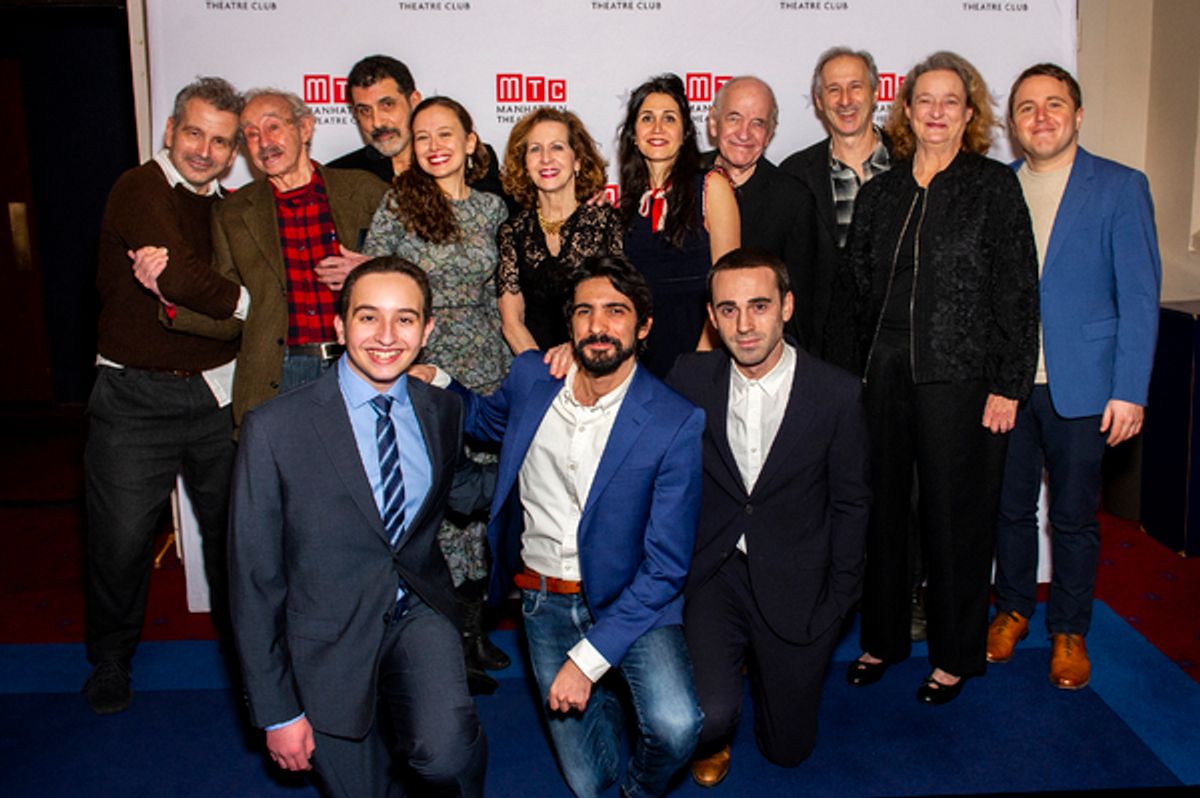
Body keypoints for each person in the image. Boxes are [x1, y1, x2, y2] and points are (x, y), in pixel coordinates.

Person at [229, 256, 494, 798]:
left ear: (427, 331)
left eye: (405, 319)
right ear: (339, 325)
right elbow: (253, 580)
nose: (386, 336)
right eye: (369, 317)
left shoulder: (440, 410)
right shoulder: (275, 428)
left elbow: (469, 488)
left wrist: (568, 464)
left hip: (416, 611)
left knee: (447, 753)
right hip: (325, 635)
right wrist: (278, 711)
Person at [450, 255, 704, 798]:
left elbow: (666, 568)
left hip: (632, 598)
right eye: (585, 312)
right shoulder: (532, 379)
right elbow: (484, 421)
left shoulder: (673, 420)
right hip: (545, 599)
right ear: (569, 325)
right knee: (588, 783)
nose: (598, 325)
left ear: (644, 326)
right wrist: (435, 379)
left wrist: (586, 664)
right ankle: (610, 700)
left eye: (616, 311)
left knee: (677, 727)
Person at [836, 51, 1039, 704]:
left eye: (952, 101)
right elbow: (858, 289)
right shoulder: (881, 192)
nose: (937, 112)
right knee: (885, 513)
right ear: (906, 111)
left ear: (970, 114)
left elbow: (1016, 290)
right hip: (883, 376)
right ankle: (884, 638)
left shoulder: (992, 187)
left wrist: (1009, 382)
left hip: (963, 382)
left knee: (956, 519)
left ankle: (955, 655)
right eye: (925, 99)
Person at [667, 248, 870, 785]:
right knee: (707, 720)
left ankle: (762, 669)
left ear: (787, 306)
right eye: (728, 309)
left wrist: (839, 598)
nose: (745, 324)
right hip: (715, 571)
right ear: (711, 317)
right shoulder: (688, 377)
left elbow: (853, 503)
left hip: (798, 577)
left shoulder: (837, 394)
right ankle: (719, 713)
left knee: (788, 752)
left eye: (759, 306)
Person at [988, 64, 1162, 689]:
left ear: (1078, 114)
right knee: (1008, 510)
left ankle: (1069, 629)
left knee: (1073, 518)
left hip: (1086, 387)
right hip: (1008, 387)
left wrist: (1130, 390)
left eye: (1054, 104)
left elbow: (1140, 297)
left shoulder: (1119, 187)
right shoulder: (998, 187)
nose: (1041, 117)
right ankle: (1011, 608)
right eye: (1027, 107)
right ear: (1012, 124)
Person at [83, 77, 245, 716]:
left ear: (233, 152)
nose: (205, 150)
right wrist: (244, 303)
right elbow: (179, 274)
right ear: (171, 130)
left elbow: (188, 281)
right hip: (132, 395)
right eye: (195, 133)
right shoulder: (138, 187)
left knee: (236, 538)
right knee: (119, 542)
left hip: (216, 394)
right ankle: (112, 657)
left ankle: (249, 656)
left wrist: (205, 290)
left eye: (221, 141)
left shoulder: (232, 208)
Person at [361, 95, 512, 690]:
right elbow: (374, 286)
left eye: (445, 134)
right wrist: (402, 360)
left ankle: (477, 631)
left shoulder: (495, 208)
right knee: (436, 498)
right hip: (419, 362)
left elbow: (508, 291)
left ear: (471, 142)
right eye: (421, 137)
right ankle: (445, 639)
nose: (433, 146)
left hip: (486, 364)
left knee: (485, 500)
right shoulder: (398, 205)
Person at [161, 88, 388, 426]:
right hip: (278, 374)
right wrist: (172, 297)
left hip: (360, 364)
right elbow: (229, 310)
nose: (263, 142)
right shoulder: (232, 213)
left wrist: (373, 271)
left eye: (273, 127)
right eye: (250, 134)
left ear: (305, 128)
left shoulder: (365, 190)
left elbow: (413, 271)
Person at [618, 73, 740, 378]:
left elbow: (728, 285)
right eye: (647, 118)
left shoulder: (711, 187)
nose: (657, 128)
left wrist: (701, 362)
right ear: (633, 133)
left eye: (669, 118)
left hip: (698, 352)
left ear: (685, 132)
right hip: (641, 358)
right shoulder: (629, 203)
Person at [781, 47, 893, 358]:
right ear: (818, 101)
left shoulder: (911, 166)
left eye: (855, 87)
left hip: (899, 352)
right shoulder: (794, 174)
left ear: (875, 92)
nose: (845, 100)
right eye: (833, 89)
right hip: (824, 354)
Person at [497, 107, 624, 353]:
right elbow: (512, 323)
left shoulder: (606, 222)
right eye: (535, 149)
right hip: (535, 366)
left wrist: (577, 358)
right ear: (524, 164)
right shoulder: (512, 232)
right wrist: (542, 372)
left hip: (596, 358)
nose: (546, 158)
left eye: (557, 147)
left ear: (577, 160)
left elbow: (618, 306)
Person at [701, 77, 816, 349]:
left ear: (771, 133)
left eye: (758, 123)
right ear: (713, 123)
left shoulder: (793, 200)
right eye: (734, 118)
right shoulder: (682, 180)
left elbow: (801, 302)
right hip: (681, 350)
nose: (744, 133)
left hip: (759, 354)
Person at [328, 54, 511, 209]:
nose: (376, 122)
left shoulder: (470, 160)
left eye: (387, 105)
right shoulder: (340, 175)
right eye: (364, 111)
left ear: (414, 100)